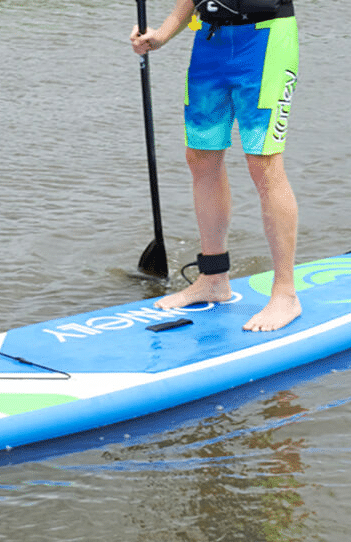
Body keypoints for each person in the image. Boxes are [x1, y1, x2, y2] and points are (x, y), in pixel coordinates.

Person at [130, 0, 301, 332]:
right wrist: (160, 35)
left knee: (263, 162)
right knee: (201, 157)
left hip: (266, 42)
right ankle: (213, 278)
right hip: (210, 43)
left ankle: (285, 294)